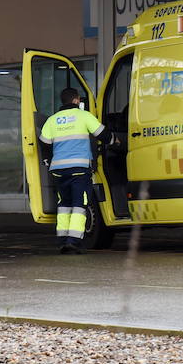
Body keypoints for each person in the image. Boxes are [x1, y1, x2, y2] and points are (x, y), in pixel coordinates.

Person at [38, 87, 108, 254]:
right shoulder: (83, 116)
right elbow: (102, 134)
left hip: (59, 170)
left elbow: (44, 142)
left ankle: (62, 240)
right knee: (80, 205)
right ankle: (74, 241)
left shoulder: (52, 120)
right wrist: (115, 141)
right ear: (77, 100)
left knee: (64, 204)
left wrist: (48, 161)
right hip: (79, 169)